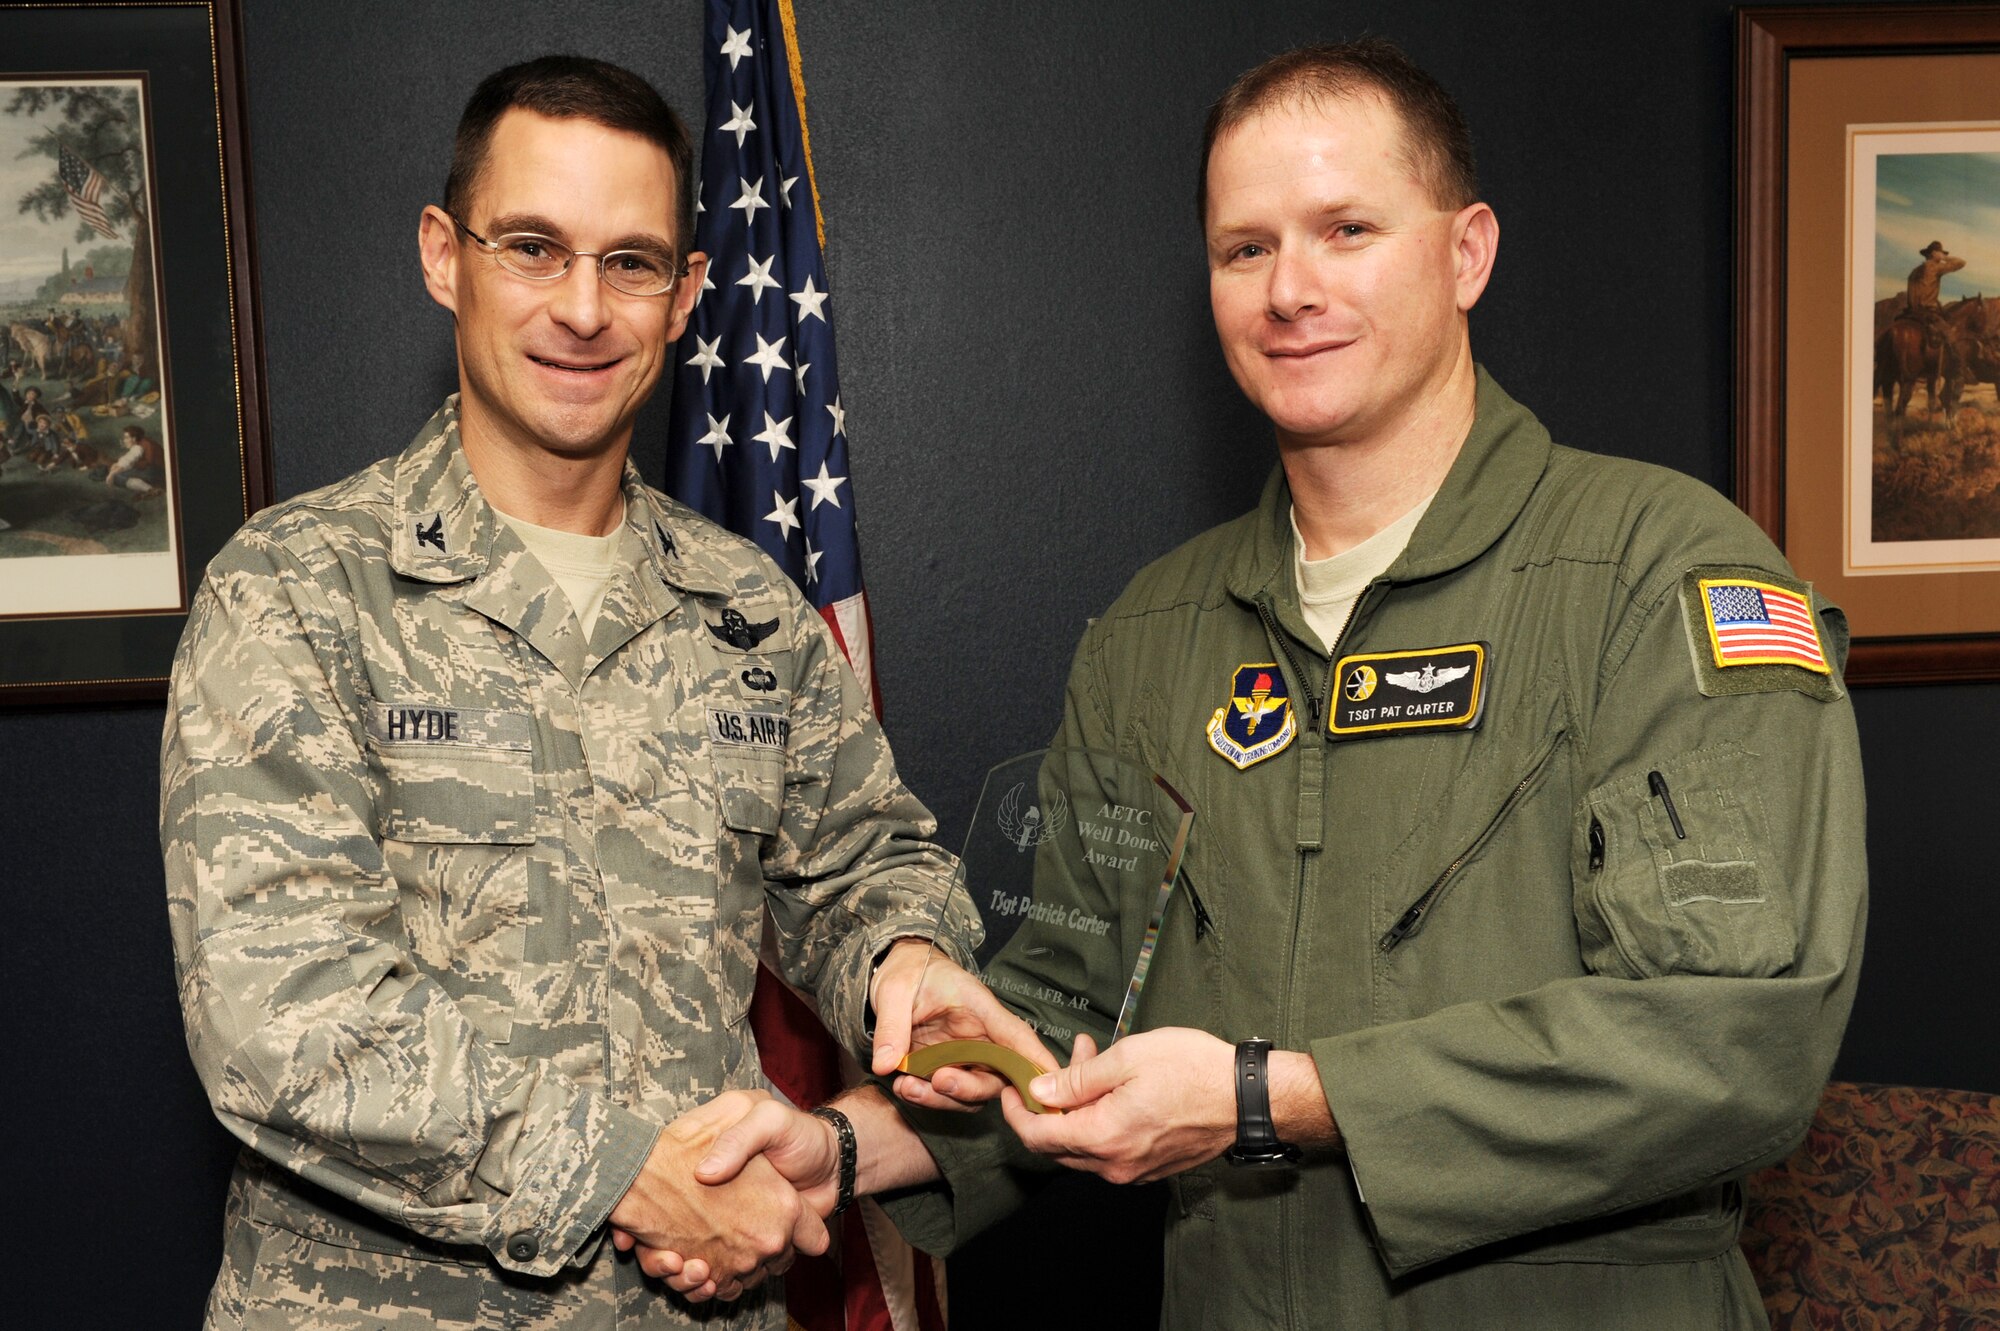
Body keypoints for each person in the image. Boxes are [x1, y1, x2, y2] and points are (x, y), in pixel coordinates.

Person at [692, 38, 1861, 1330]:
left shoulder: (1661, 575)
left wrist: (1270, 1094)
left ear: (1466, 251)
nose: (1290, 288)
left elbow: (1733, 1042)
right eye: (1246, 247)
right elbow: (1062, 1022)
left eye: (1346, 228)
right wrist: (846, 1147)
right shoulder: (1155, 635)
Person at [162, 55, 1037, 1330]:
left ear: (685, 294)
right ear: (441, 255)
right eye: (531, 246)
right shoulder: (295, 594)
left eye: (630, 261)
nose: (583, 307)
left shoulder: (747, 609)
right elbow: (282, 1018)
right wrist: (631, 1169)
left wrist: (903, 956)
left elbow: (859, 861)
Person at [1905, 240, 1966, 348]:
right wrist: (1945, 258)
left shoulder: (1914, 271)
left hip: (1910, 312)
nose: (1942, 255)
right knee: (1951, 338)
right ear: (1933, 253)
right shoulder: (1934, 267)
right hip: (1928, 312)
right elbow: (1961, 263)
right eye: (1940, 253)